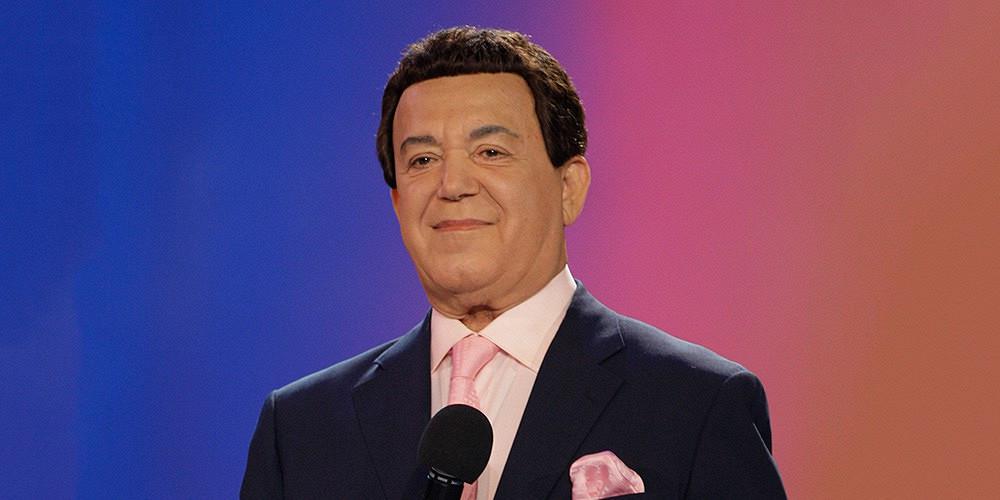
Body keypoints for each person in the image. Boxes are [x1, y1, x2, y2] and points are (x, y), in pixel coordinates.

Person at [241, 26, 785, 499]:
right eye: (423, 159)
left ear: (569, 187)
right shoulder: (302, 428)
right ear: (398, 203)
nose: (453, 185)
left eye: (491, 152)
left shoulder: (696, 405)